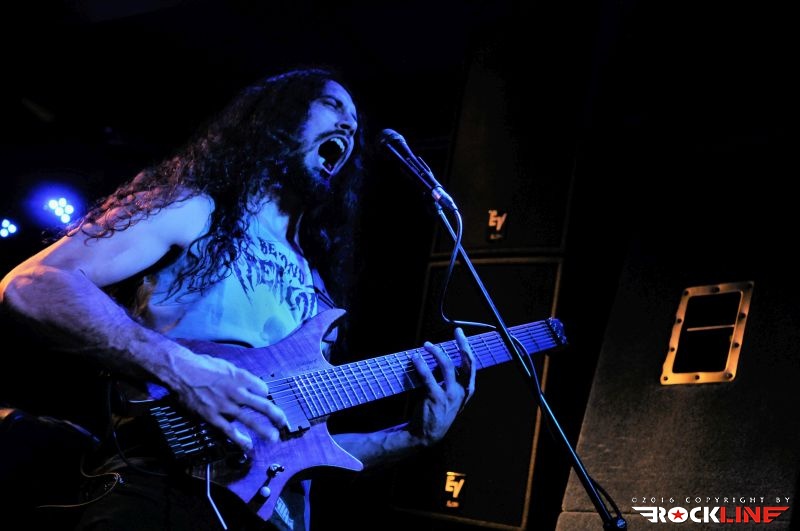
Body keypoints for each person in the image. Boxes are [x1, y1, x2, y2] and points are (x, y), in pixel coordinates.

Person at [0, 67, 476, 530]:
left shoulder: (317, 288)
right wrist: (182, 369)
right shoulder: (193, 208)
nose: (349, 127)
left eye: (354, 122)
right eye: (332, 105)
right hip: (164, 491)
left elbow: (298, 449)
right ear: (276, 119)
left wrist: (413, 437)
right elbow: (32, 283)